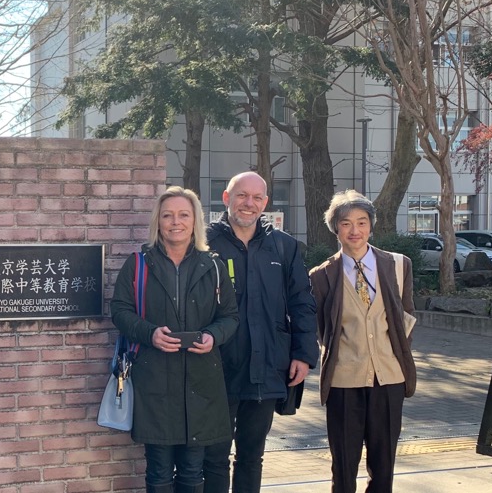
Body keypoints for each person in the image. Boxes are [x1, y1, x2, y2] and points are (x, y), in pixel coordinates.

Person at [110, 186, 239, 493]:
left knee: (194, 471)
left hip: (201, 383)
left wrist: (212, 336)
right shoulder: (138, 264)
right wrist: (150, 333)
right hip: (155, 381)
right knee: (158, 471)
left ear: (195, 221)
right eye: (168, 215)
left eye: (184, 215)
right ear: (158, 221)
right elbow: (119, 311)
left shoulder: (214, 266)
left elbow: (230, 316)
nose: (176, 222)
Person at [203, 172, 318, 493]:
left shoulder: (283, 246)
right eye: (242, 195)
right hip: (215, 369)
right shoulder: (204, 244)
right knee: (213, 458)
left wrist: (303, 355)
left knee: (252, 457)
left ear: (265, 203)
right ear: (226, 198)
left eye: (256, 198)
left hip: (266, 369)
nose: (249, 203)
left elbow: (302, 303)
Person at [309, 190, 416, 493]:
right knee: (343, 466)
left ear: (371, 226)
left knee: (384, 466)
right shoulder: (322, 275)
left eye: (361, 222)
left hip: (389, 378)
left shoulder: (398, 265)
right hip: (344, 381)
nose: (354, 230)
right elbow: (322, 328)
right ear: (336, 229)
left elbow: (406, 316)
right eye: (346, 223)